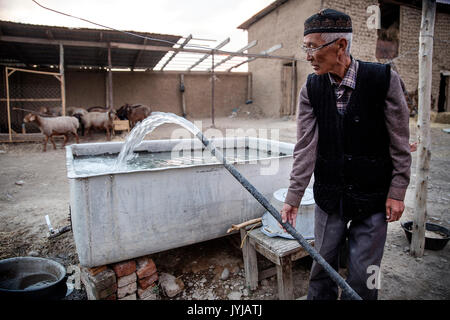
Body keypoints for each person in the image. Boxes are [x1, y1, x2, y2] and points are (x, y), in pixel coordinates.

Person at [280, 8, 411, 300]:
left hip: (374, 195)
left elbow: (400, 141)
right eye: (306, 47)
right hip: (330, 194)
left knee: (366, 275)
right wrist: (293, 197)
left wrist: (398, 190)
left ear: (340, 46)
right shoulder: (311, 89)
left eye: (313, 47)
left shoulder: (384, 80)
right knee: (322, 265)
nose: (307, 55)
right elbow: (305, 147)